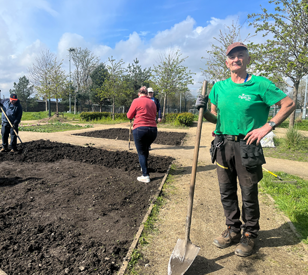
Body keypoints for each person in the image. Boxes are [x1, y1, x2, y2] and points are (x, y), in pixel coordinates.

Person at [195, 42, 295, 257]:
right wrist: (202, 109)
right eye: (232, 57)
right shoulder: (219, 87)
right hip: (222, 144)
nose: (236, 59)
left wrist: (267, 127)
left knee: (249, 192)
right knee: (226, 191)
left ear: (248, 60)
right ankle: (232, 229)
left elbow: (288, 104)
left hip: (248, 145)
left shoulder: (261, 84)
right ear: (226, 62)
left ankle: (249, 235)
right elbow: (215, 117)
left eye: (241, 55)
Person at [127, 86, 157, 183]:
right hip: (153, 130)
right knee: (145, 149)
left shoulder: (136, 101)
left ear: (139, 93)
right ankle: (144, 167)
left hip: (140, 129)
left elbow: (129, 115)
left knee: (141, 152)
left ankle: (145, 175)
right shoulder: (152, 102)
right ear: (147, 93)